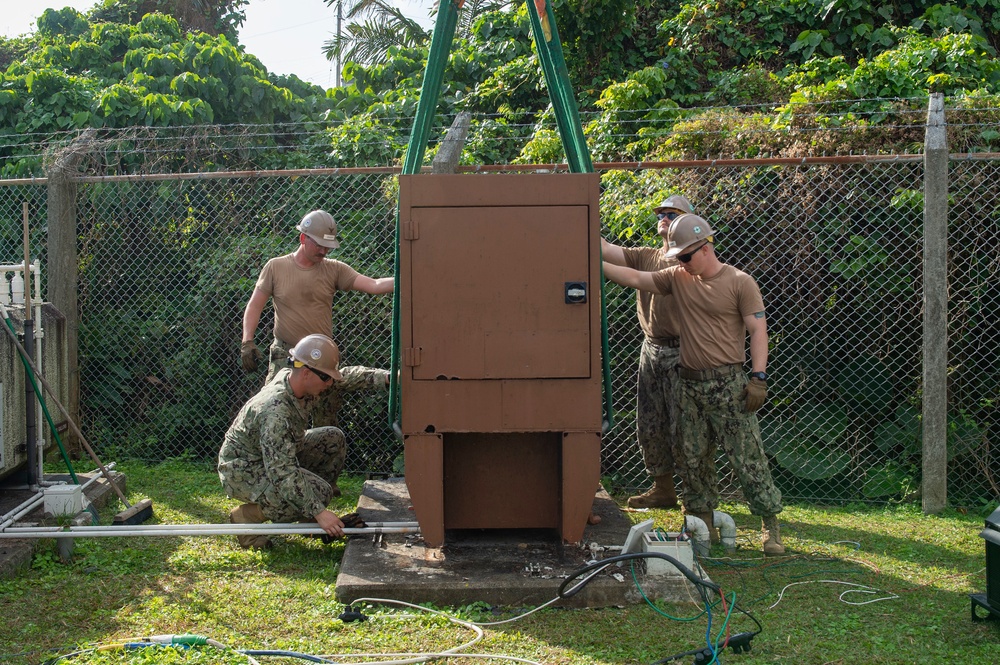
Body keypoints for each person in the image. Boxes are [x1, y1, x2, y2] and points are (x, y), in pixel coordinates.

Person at [602, 214, 785, 555]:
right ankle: (701, 525)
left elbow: (758, 330)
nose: (681, 264)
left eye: (685, 257)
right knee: (692, 460)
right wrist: (590, 259)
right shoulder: (677, 277)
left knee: (749, 458)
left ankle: (770, 527)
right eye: (677, 259)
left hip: (729, 385)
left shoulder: (739, 282)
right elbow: (633, 276)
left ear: (705, 247)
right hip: (689, 385)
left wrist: (758, 378)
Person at [240, 209, 393, 426]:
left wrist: (407, 277)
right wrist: (247, 341)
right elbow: (255, 305)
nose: (323, 251)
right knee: (273, 416)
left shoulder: (334, 269)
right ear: (303, 238)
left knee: (325, 424)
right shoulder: (276, 267)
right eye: (319, 245)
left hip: (321, 359)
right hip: (286, 356)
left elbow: (374, 285)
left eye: (327, 247)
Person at [219, 334, 352, 550]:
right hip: (242, 470)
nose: (331, 383)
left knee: (331, 438)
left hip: (270, 456)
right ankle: (247, 516)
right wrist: (319, 510)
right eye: (327, 378)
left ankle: (307, 517)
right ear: (308, 373)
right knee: (319, 493)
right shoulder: (275, 413)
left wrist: (389, 377)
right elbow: (282, 473)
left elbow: (348, 377)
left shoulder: (297, 380)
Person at [601, 194, 693, 509]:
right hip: (651, 348)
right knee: (650, 423)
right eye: (660, 214)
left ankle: (696, 497)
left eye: (672, 213)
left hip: (685, 351)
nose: (663, 218)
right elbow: (604, 249)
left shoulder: (693, 260)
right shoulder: (646, 256)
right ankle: (663, 490)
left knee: (685, 426)